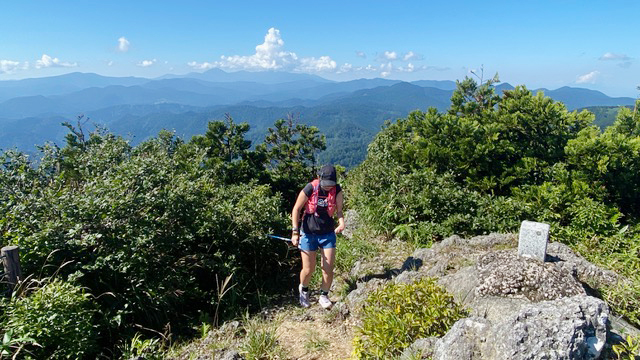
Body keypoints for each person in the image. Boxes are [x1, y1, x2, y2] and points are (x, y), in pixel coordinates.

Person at [291, 164, 345, 308]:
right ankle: (303, 290)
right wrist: (295, 232)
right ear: (319, 178)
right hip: (308, 233)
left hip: (327, 233)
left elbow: (339, 211)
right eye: (326, 184)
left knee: (328, 268)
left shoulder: (337, 190)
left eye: (331, 184)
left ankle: (324, 295)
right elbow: (296, 209)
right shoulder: (310, 188)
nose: (328, 187)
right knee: (308, 269)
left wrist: (341, 223)